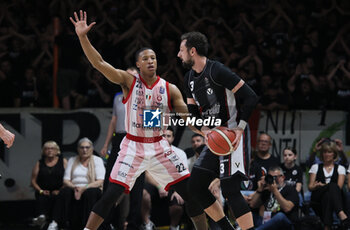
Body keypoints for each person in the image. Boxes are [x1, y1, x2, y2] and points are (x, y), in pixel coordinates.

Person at [70, 11, 230, 230]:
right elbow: (99, 63)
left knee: (191, 193)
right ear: (138, 63)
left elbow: (187, 118)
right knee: (111, 195)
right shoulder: (128, 81)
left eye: (153, 57)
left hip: (159, 146)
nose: (150, 60)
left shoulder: (169, 88)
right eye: (145, 58)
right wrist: (82, 37)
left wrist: (206, 131)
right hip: (132, 146)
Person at [178, 31, 259, 230]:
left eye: (181, 50)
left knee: (230, 188)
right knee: (195, 186)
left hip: (233, 134)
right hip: (215, 138)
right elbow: (193, 114)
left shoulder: (218, 71)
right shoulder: (189, 79)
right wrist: (203, 130)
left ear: (193, 51)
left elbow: (251, 97)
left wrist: (239, 129)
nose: (179, 55)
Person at [100, 66, 145, 230]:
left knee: (137, 183)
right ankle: (106, 222)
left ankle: (133, 223)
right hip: (119, 139)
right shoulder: (118, 97)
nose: (129, 79)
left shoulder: (146, 95)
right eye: (127, 76)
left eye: (133, 76)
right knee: (110, 180)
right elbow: (113, 121)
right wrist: (106, 144)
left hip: (138, 138)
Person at [48, 137, 105, 230]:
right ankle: (56, 222)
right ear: (78, 149)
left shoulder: (97, 160)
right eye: (82, 147)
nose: (84, 150)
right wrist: (76, 188)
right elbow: (66, 180)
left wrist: (84, 188)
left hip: (90, 186)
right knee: (64, 192)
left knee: (91, 193)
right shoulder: (72, 160)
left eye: (87, 147)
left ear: (92, 149)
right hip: (74, 187)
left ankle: (88, 226)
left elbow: (100, 181)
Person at [308, 140, 350, 230]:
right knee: (332, 186)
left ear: (334, 154)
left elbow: (338, 187)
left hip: (333, 198)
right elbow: (310, 187)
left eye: (329, 152)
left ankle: (327, 227)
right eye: (324, 152)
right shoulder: (315, 167)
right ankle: (341, 214)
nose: (327, 154)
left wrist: (324, 185)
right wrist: (317, 186)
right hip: (317, 197)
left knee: (328, 195)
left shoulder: (341, 168)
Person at [30, 141, 67, 228]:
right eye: (47, 149)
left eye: (52, 148)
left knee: (58, 197)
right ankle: (41, 217)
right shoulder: (40, 162)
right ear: (44, 151)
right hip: (43, 190)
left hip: (59, 190)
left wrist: (60, 190)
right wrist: (41, 190)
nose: (49, 150)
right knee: (41, 196)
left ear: (56, 150)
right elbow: (33, 181)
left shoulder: (63, 161)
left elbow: (69, 178)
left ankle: (54, 223)